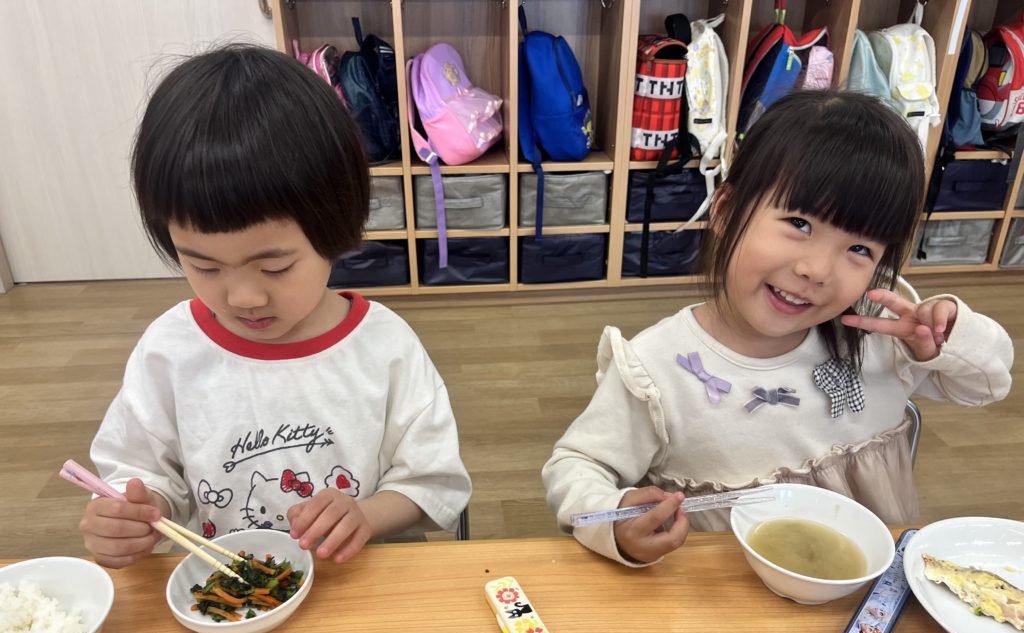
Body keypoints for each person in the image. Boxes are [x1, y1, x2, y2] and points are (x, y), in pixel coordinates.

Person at [542, 90, 1013, 567]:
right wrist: (616, 520)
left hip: (866, 583)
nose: (817, 270)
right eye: (799, 223)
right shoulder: (656, 367)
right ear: (726, 211)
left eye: (860, 249)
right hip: (723, 592)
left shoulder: (882, 335)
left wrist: (947, 337)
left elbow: (987, 384)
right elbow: (578, 466)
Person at [80, 45, 471, 568]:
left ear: (336, 227)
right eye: (205, 266)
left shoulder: (385, 347)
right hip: (223, 591)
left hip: (361, 584)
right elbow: (141, 471)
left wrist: (368, 515)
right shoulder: (170, 351)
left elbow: (433, 481)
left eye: (275, 267)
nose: (243, 297)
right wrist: (136, 511)